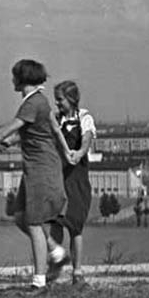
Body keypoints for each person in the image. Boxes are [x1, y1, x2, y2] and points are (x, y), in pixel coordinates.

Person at [0, 59, 71, 292]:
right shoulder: (37, 102)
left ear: (23, 79)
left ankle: (39, 282)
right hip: (35, 169)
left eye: (14, 76)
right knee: (21, 216)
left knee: (33, 223)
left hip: (42, 170)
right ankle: (57, 252)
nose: (12, 80)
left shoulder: (32, 102)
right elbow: (28, 133)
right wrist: (4, 142)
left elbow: (4, 131)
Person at [49, 80, 95, 286]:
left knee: (75, 225)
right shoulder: (55, 119)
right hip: (59, 176)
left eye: (60, 100)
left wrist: (79, 153)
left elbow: (86, 139)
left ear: (71, 99)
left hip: (77, 178)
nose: (57, 104)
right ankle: (55, 267)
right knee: (56, 222)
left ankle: (77, 272)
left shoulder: (84, 118)